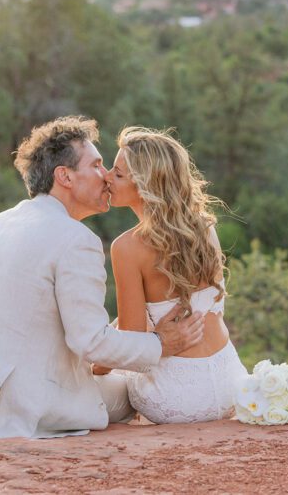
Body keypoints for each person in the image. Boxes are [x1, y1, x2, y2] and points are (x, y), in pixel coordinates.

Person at [0, 116, 204, 438]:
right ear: (64, 176)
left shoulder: (3, 221)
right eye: (96, 165)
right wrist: (160, 343)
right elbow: (90, 343)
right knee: (132, 391)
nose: (105, 176)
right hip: (10, 404)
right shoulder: (76, 239)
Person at [97, 126, 247, 424]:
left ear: (144, 185)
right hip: (231, 384)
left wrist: (95, 367)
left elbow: (131, 344)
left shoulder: (126, 247)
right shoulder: (205, 228)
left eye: (118, 173)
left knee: (105, 381)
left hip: (175, 400)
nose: (106, 177)